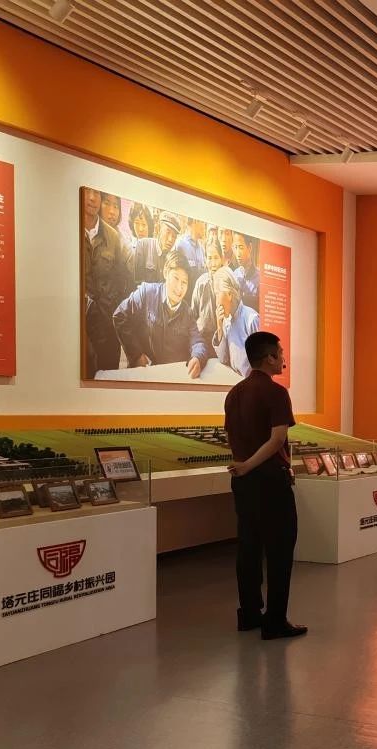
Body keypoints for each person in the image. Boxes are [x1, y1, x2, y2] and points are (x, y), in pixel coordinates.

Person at [224, 331, 308, 640]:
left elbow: (233, 437)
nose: (283, 358)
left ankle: (249, 613)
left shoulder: (234, 393)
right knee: (280, 550)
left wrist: (243, 466)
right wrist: (250, 464)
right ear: (269, 358)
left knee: (248, 547)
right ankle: (275, 620)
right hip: (271, 481)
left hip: (243, 483)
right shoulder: (276, 392)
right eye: (280, 353)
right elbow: (276, 440)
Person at [112, 250, 209, 378]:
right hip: (143, 372)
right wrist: (136, 355)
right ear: (165, 273)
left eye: (184, 282)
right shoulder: (146, 293)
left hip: (171, 376)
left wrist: (198, 357)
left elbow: (197, 342)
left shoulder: (187, 313)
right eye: (176, 278)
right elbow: (120, 315)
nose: (179, 287)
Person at [81, 188, 134, 376]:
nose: (92, 198)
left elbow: (123, 280)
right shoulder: (69, 229)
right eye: (88, 192)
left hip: (106, 327)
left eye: (97, 193)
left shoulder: (113, 237)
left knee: (108, 376)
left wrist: (115, 314)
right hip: (80, 326)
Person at [209, 266, 261, 377]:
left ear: (229, 294)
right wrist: (219, 326)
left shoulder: (251, 319)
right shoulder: (226, 322)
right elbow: (223, 359)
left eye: (217, 294)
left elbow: (262, 365)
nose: (216, 302)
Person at [191, 234, 229, 340]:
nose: (213, 263)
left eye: (216, 258)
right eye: (209, 258)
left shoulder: (228, 284)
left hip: (222, 337)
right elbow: (192, 315)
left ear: (222, 258)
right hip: (202, 338)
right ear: (205, 259)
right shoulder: (201, 283)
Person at [131, 210, 181, 285]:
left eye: (174, 236)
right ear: (158, 229)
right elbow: (135, 283)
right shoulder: (143, 245)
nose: (170, 239)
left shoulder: (172, 259)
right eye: (168, 232)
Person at [174, 218, 208, 283]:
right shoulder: (180, 245)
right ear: (196, 220)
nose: (205, 227)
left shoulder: (201, 249)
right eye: (203, 223)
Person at [232, 231, 260, 309]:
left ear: (249, 247)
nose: (238, 253)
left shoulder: (260, 278)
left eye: (241, 247)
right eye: (235, 247)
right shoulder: (234, 275)